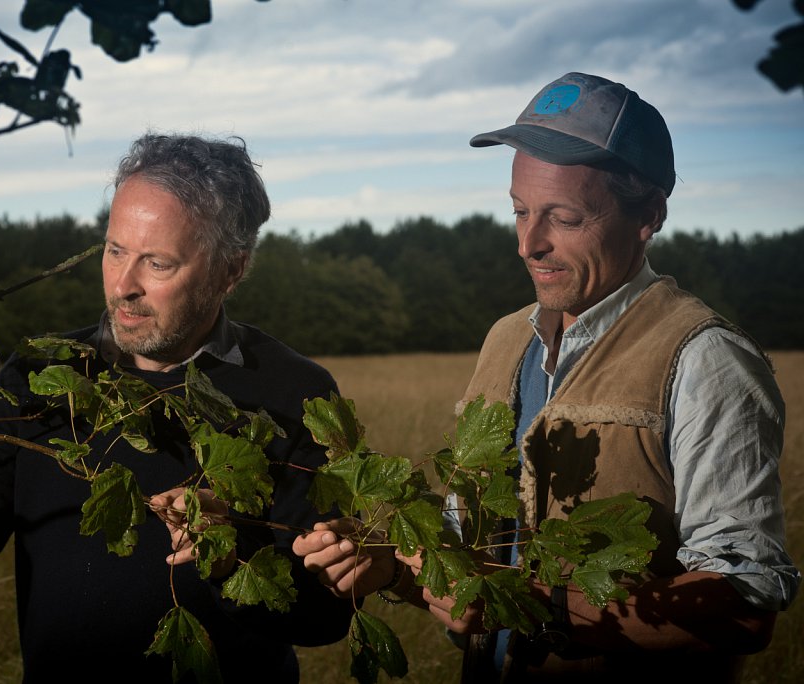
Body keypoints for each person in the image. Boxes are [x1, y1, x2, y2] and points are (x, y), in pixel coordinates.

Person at [293, 72, 800, 682]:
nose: (528, 244)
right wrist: (391, 567)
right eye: (520, 211)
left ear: (648, 216)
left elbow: (745, 606)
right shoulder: (506, 339)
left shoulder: (705, 358)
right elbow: (470, 556)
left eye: (563, 217)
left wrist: (536, 604)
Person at [0, 132, 354, 682]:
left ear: (231, 269)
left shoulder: (294, 393)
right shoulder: (43, 373)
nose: (123, 286)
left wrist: (230, 551)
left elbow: (324, 613)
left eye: (157, 264)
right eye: (114, 251)